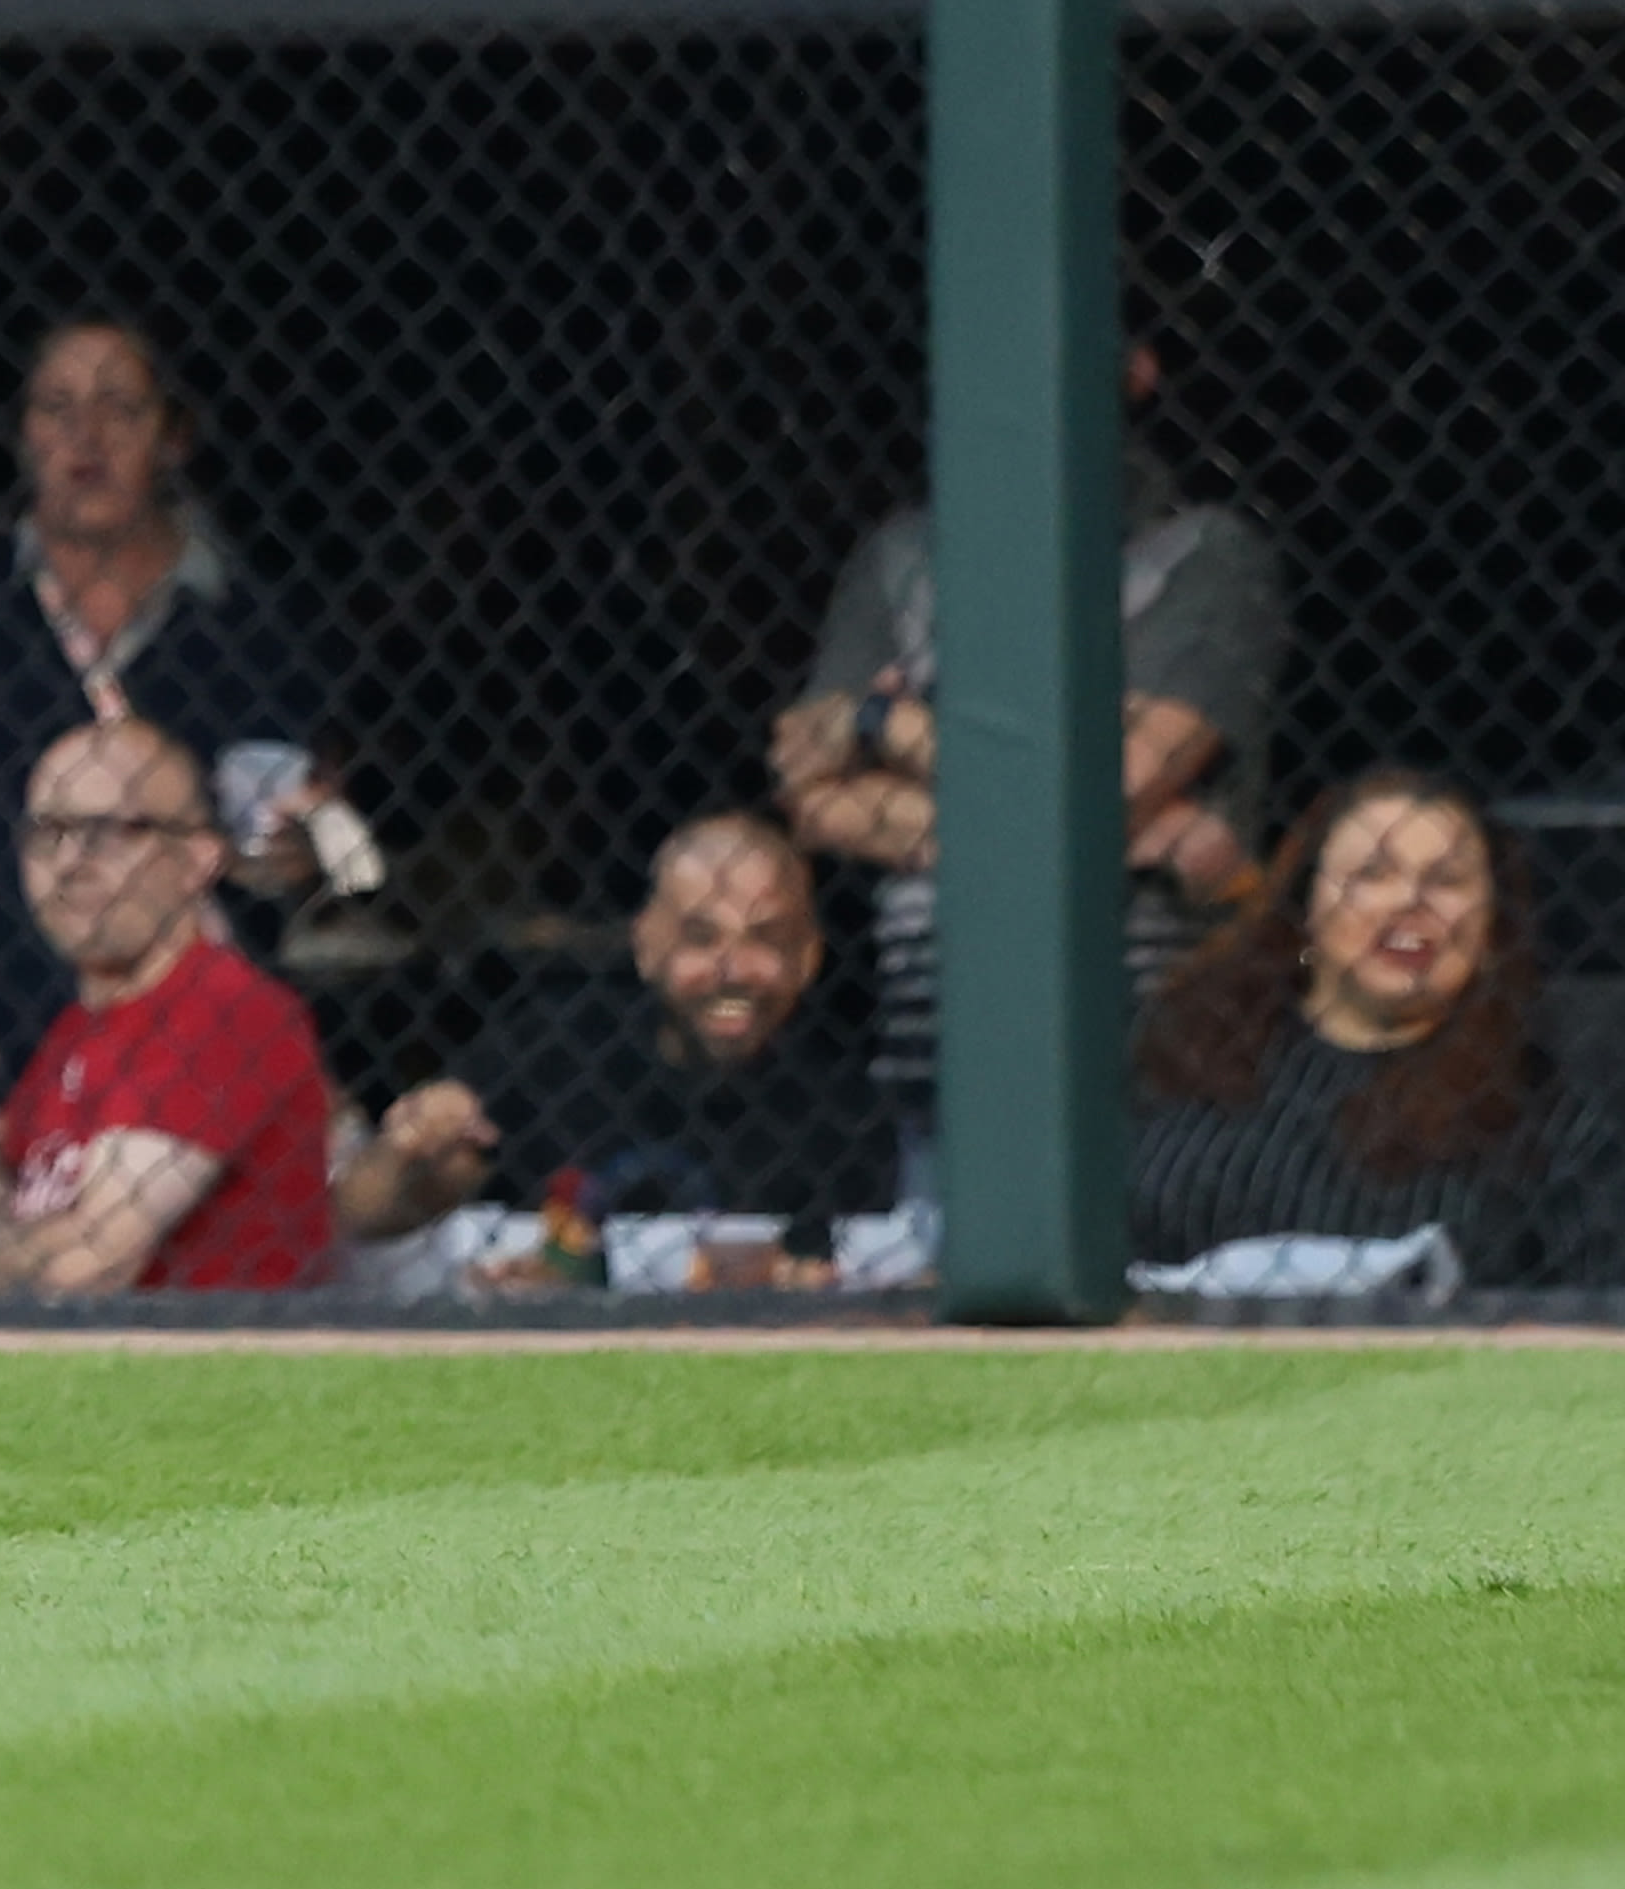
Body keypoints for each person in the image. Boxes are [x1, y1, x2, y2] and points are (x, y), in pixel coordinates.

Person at [0, 318, 344, 1200]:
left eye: (119, 410)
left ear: (174, 437)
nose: (85, 438)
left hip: (194, 1103)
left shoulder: (258, 628)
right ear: (22, 435)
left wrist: (298, 857)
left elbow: (316, 827)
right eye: (57, 409)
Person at [772, 357, 1282, 1155]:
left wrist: (890, 728)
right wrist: (1067, 822)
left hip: (1150, 1066)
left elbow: (1109, 791)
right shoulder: (900, 557)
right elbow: (807, 787)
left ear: (1137, 376)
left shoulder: (1202, 556)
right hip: (935, 1056)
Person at [337, 813, 900, 1270]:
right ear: (647, 945)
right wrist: (411, 1151)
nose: (733, 970)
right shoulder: (549, 1052)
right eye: (700, 938)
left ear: (808, 957)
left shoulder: (846, 1111)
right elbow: (363, 1212)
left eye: (766, 940)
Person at [1128, 770, 1625, 1287]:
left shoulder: (1543, 1102)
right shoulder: (1174, 1042)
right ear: (1306, 906)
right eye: (1372, 873)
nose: (1411, 899)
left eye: (1446, 881)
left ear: (1491, 929)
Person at [0, 718, 335, 1292]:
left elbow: (85, 1268)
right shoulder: (79, 1028)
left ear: (198, 860)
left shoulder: (225, 1010)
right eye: (48, 831)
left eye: (112, 831)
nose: (70, 862)